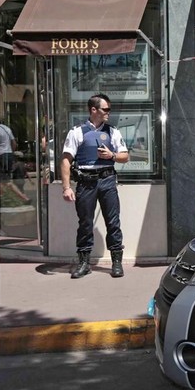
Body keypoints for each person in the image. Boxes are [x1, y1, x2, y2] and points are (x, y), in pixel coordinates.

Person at [61, 94, 130, 279]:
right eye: (105, 109)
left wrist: (112, 155)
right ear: (94, 110)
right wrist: (66, 187)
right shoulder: (77, 132)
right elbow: (66, 161)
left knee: (113, 223)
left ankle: (116, 263)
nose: (109, 112)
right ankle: (84, 263)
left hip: (107, 180)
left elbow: (125, 156)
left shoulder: (113, 132)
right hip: (86, 182)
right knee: (85, 223)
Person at [0, 122, 30, 202]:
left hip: (1, 154)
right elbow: (14, 143)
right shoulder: (7, 128)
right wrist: (11, 152)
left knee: (2, 180)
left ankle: (23, 198)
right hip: (9, 154)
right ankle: (3, 198)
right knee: (4, 179)